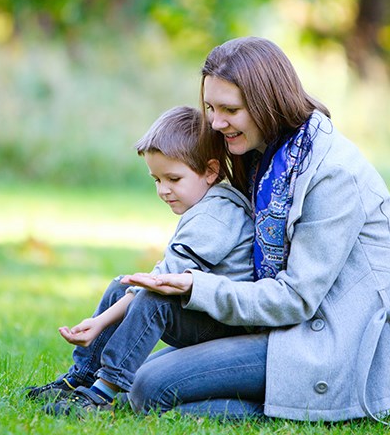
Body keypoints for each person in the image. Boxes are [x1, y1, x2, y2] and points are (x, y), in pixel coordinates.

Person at [121, 36, 390, 422]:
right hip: (276, 332)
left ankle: (296, 408)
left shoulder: (333, 174)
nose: (215, 122)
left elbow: (296, 299)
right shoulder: (268, 157)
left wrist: (198, 286)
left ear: (268, 101)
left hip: (329, 348)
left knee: (151, 389)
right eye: (211, 107)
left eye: (230, 109)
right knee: (139, 382)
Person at [24, 105, 255, 415]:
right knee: (123, 286)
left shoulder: (217, 215)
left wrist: (101, 322)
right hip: (203, 312)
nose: (163, 190)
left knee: (152, 299)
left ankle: (102, 393)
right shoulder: (205, 207)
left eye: (173, 178)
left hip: (227, 324)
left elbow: (163, 281)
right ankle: (81, 378)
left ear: (210, 171)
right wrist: (104, 317)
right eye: (156, 180)